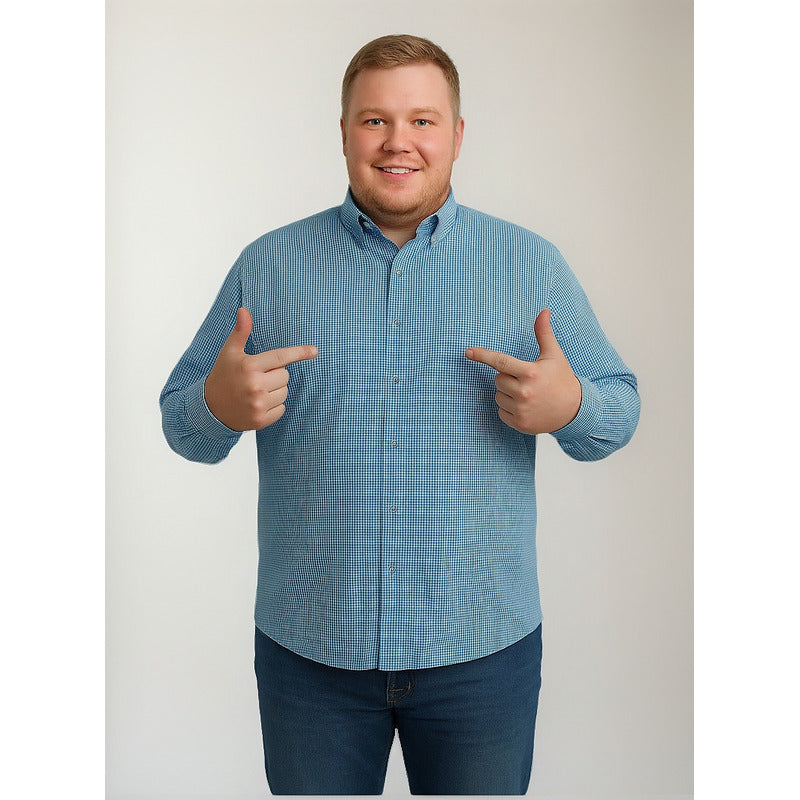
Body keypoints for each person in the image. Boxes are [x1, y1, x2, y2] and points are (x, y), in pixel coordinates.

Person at [160, 33, 640, 796]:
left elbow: (619, 409)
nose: (397, 141)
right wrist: (218, 406)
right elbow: (181, 422)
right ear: (344, 131)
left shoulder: (530, 265)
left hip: (482, 656)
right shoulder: (267, 267)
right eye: (374, 120)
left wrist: (572, 404)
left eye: (422, 120)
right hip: (309, 659)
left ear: (457, 134)